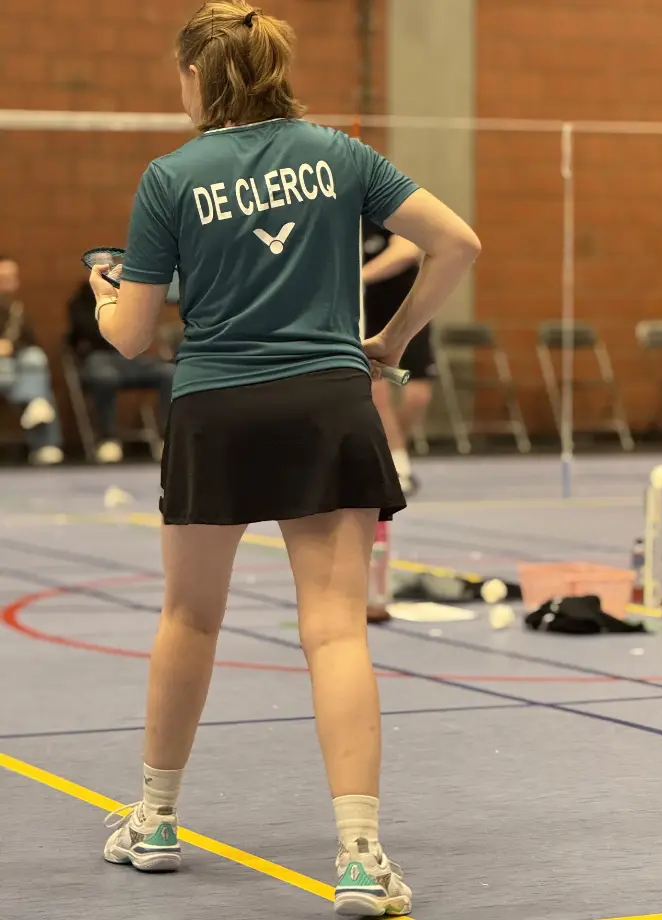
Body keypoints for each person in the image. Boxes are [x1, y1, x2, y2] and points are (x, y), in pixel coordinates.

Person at [91, 3, 480, 915]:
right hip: (326, 405)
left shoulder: (171, 177)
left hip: (215, 409)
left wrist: (104, 295)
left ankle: (154, 821)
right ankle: (359, 857)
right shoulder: (341, 155)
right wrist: (390, 339)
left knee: (189, 618)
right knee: (336, 630)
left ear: (199, 77)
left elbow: (135, 336)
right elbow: (457, 242)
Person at [362, 218, 436, 496]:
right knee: (377, 393)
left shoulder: (387, 212)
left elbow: (405, 251)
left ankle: (389, 451)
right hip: (368, 317)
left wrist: (360, 277)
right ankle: (398, 466)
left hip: (408, 314)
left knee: (417, 396)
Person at [66, 280, 175, 463]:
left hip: (130, 356)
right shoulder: (81, 300)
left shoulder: (130, 295)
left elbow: (140, 330)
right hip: (99, 355)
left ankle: (168, 438)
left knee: (169, 373)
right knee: (104, 377)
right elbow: (94, 332)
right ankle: (108, 439)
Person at [0, 255, 63, 465]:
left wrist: (11, 347)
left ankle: (36, 404)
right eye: (3, 277)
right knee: (37, 386)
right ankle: (45, 440)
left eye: (12, 277)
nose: (9, 282)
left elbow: (31, 342)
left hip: (15, 366)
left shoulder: (17, 309)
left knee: (35, 358)